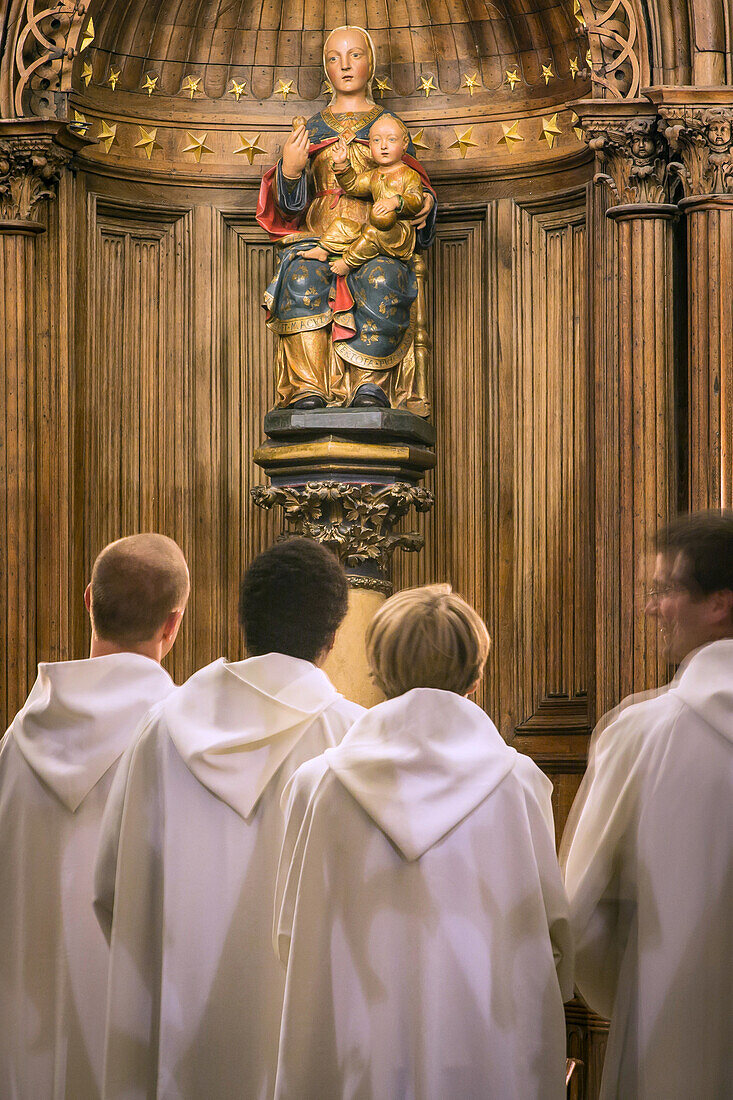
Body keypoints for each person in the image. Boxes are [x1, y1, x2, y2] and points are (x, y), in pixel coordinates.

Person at [274, 584, 573, 1099]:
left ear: (380, 673)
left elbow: (288, 932)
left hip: (357, 1045)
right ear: (476, 675)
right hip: (486, 1044)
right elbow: (552, 932)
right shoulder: (517, 783)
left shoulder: (317, 784)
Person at [94, 537, 363, 1100]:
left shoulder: (162, 729)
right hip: (312, 1046)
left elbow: (111, 890)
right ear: (333, 636)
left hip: (181, 1041)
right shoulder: (356, 741)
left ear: (244, 622)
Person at [0, 533, 189, 1100]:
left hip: (22, 1036)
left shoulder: (16, 742)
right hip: (129, 1038)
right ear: (172, 625)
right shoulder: (184, 743)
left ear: (88, 600)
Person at [561, 511, 733, 1099]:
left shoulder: (641, 734)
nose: (652, 608)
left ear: (718, 603)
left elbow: (577, 916)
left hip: (670, 1036)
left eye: (666, 590)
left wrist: (639, 985)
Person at [257, 24, 436, 410]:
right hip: (321, 231)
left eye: (355, 55)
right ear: (325, 68)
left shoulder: (388, 128)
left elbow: (412, 182)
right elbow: (289, 207)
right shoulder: (313, 128)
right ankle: (309, 388)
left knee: (381, 277)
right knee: (302, 276)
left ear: (371, 63)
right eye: (334, 58)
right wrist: (290, 171)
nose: (346, 65)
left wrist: (424, 205)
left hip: (376, 234)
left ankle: (368, 386)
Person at [300, 114, 424, 277]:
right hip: (374, 225)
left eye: (391, 140)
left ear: (404, 144)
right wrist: (342, 164)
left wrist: (395, 202)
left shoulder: (409, 174)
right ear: (370, 145)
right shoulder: (374, 175)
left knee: (373, 234)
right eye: (377, 141)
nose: (384, 146)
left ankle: (348, 262)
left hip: (398, 232)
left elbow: (416, 199)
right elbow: (354, 185)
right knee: (341, 225)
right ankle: (323, 249)